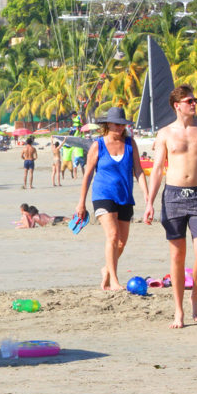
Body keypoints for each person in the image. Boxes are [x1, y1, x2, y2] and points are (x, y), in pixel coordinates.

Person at [144, 84, 197, 329]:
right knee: (177, 256)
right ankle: (179, 310)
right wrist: (149, 202)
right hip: (172, 197)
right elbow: (158, 170)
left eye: (195, 100)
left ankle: (195, 296)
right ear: (177, 105)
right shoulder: (164, 134)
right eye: (190, 101)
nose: (194, 104)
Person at [74, 108, 149, 291]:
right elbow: (88, 175)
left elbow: (138, 170)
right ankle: (114, 281)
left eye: (123, 124)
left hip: (125, 196)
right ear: (108, 124)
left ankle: (107, 270)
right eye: (117, 124)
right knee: (113, 236)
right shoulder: (97, 145)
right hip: (103, 195)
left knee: (121, 243)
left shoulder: (131, 144)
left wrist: (147, 195)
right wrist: (81, 202)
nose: (120, 127)